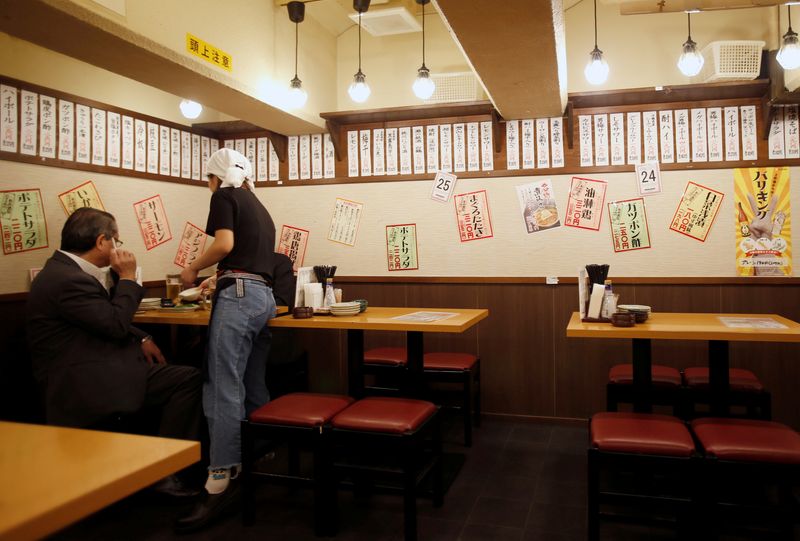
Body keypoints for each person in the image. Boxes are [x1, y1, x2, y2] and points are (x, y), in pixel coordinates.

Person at [26, 207, 202, 496]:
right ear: (101, 242)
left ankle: (159, 465)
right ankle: (165, 473)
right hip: (82, 381)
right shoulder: (69, 280)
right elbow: (115, 324)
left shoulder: (62, 272)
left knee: (180, 373)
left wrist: (142, 336)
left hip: (92, 367)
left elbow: (99, 317)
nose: (118, 247)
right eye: (115, 241)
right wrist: (130, 278)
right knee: (187, 380)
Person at [176, 148, 277, 532]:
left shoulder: (223, 196)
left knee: (221, 386)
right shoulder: (258, 204)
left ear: (215, 177)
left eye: (207, 179)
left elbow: (225, 246)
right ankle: (257, 456)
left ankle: (220, 480)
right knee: (251, 382)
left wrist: (192, 268)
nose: (208, 186)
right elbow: (250, 260)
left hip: (239, 299)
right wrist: (218, 278)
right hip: (261, 298)